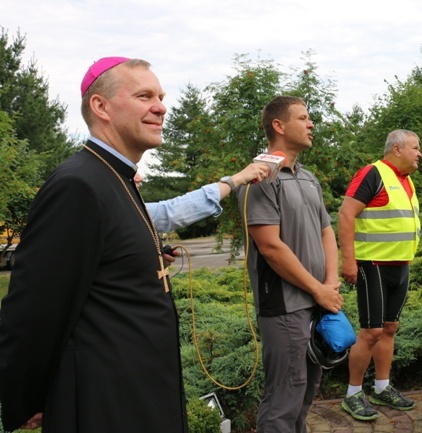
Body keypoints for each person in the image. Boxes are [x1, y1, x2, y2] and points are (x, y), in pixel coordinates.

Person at [0, 57, 189, 432]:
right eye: (144, 95)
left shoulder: (116, 178)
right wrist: (27, 397)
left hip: (139, 394)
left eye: (161, 96)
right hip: (104, 404)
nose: (160, 106)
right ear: (100, 106)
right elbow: (37, 307)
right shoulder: (79, 184)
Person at [236, 95, 343, 433]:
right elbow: (269, 246)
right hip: (284, 306)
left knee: (306, 393)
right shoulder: (260, 178)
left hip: (317, 301)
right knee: (284, 399)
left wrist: (331, 281)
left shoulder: (308, 177)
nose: (311, 124)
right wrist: (318, 289)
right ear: (279, 126)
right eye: (303, 118)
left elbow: (327, 231)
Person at [338, 129, 422, 421]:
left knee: (389, 328)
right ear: (396, 149)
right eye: (415, 147)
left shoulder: (406, 180)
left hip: (401, 266)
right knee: (371, 331)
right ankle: (352, 394)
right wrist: (348, 261)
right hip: (372, 264)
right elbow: (346, 214)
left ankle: (382, 387)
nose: (419, 153)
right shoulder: (372, 173)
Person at [134, 163, 269, 234]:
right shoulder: (127, 208)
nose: (140, 178)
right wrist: (235, 179)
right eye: (132, 173)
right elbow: (170, 212)